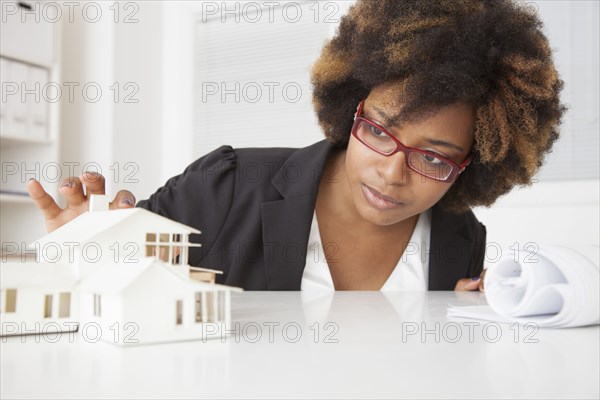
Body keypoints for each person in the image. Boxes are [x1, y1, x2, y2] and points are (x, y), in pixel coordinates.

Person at [27, 0, 566, 291]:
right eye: (378, 131)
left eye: (433, 157)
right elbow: (113, 285)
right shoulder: (227, 187)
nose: (391, 173)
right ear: (350, 104)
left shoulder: (460, 236)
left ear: (473, 164)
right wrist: (84, 252)